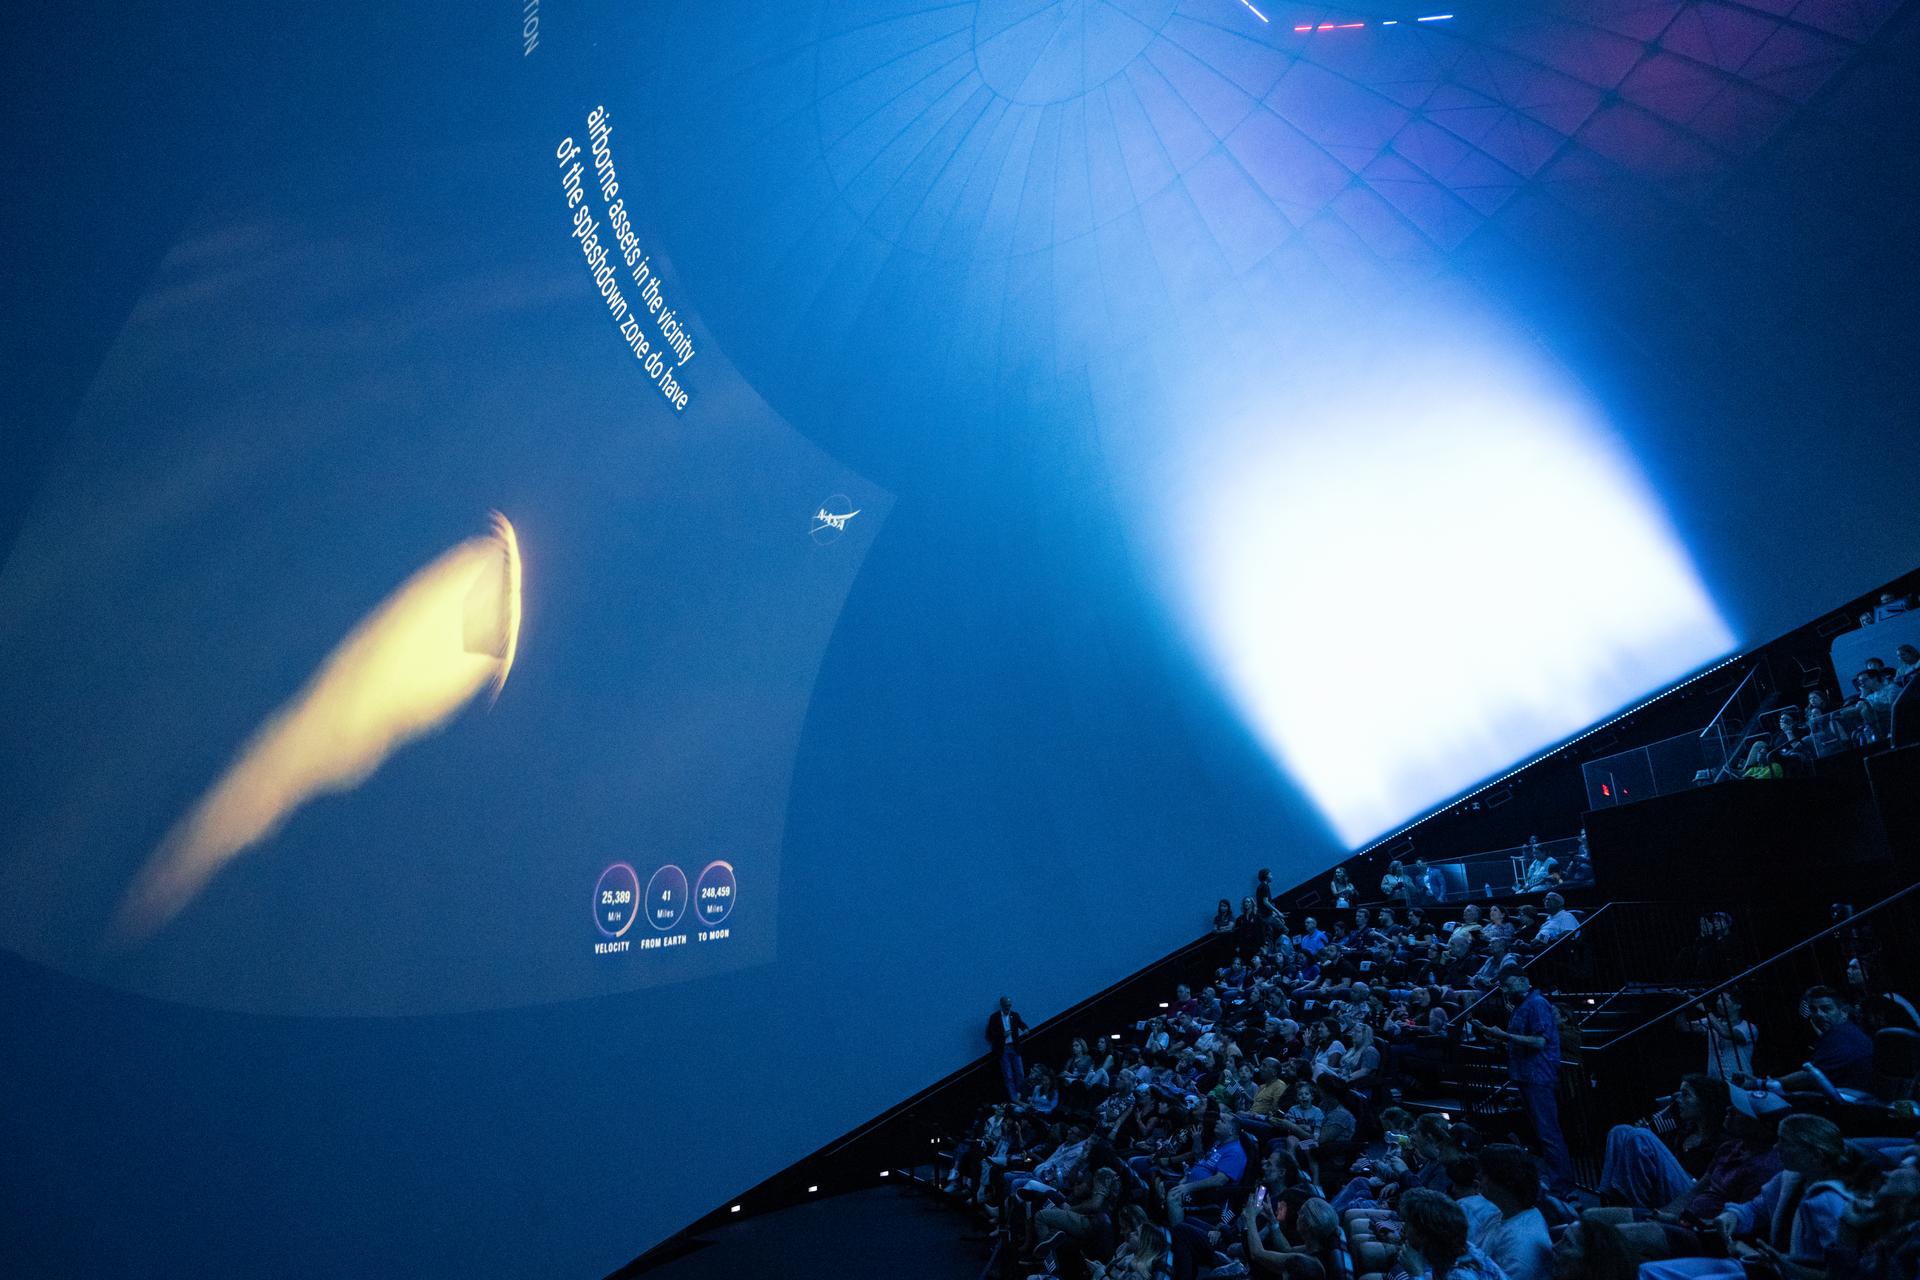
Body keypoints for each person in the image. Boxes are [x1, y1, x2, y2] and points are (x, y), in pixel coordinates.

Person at [1638, 1113, 1861, 1279]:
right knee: (1649, 1271)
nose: (1776, 1146)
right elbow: (1755, 1208)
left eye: (1784, 1142)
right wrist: (1732, 1217)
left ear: (1814, 1154)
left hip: (1787, 1274)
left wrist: (1784, 1265)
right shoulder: (1789, 1179)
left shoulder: (1830, 1201)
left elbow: (1840, 1274)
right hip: (1763, 1266)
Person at [1473, 970, 1573, 1195]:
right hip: (1526, 1075)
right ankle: (1555, 1181)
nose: (1505, 991)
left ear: (1523, 981)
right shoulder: (1521, 1006)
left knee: (1549, 1133)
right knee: (1541, 1132)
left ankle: (1563, 1186)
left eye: (1507, 986)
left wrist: (1504, 1036)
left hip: (1539, 1075)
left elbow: (1538, 1042)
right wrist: (1496, 1038)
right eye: (1503, 988)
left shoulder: (1537, 1004)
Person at [1732, 984, 1873, 1098]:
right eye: (1814, 1009)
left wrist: (1761, 1083)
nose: (1819, 1014)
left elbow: (1811, 1076)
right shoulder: (1843, 1034)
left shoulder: (1841, 1034)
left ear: (1843, 1012)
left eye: (1826, 1009)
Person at [1387, 1188, 1507, 1280]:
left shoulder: (1462, 1275)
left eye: (1408, 1224)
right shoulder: (1454, 1249)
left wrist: (1417, 1273)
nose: (1404, 1229)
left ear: (1422, 1235)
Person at [1476, 1144, 1553, 1280]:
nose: (1479, 1176)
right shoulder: (1504, 1213)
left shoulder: (1520, 1245)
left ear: (1504, 1181)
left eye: (1484, 1173)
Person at [1673, 990, 1757, 1081]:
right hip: (1716, 1083)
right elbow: (1683, 1027)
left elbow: (1725, 1033)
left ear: (1738, 1005)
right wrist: (1682, 1003)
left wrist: (1705, 1009)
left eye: (1724, 1000)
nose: (1719, 1003)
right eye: (1718, 999)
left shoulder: (1748, 1027)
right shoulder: (1713, 1021)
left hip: (1741, 1082)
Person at [987, 995, 1031, 1101]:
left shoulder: (1014, 1015)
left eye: (1010, 1005)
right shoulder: (994, 1017)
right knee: (1008, 1075)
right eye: (1006, 1006)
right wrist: (1003, 1035)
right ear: (1001, 1005)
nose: (1008, 1008)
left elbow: (1022, 1024)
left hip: (1015, 1047)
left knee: (1020, 1072)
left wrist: (1025, 1029)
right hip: (1003, 1049)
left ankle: (1022, 1096)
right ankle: (1014, 1098)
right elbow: (989, 1034)